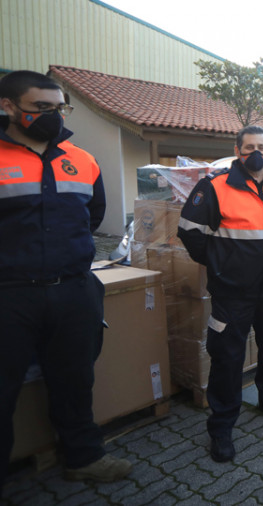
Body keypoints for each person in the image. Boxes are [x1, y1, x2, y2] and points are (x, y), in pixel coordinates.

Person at [0, 70, 132, 484]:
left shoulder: (82, 159)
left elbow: (92, 217)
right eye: (41, 108)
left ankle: (83, 457)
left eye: (59, 108)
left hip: (73, 292)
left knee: (75, 380)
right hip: (9, 297)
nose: (54, 116)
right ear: (7, 107)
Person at [178, 125, 263, 463]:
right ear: (238, 151)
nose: (255, 153)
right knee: (228, 357)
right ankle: (221, 427)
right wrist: (220, 264)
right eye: (248, 148)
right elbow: (189, 231)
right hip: (231, 291)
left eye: (261, 147)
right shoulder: (214, 186)